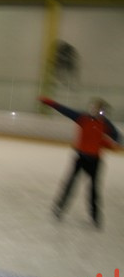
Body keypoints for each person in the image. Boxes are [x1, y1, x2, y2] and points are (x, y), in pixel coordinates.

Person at [39, 96, 121, 228]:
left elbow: (117, 138)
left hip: (95, 161)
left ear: (102, 111)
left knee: (93, 189)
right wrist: (50, 103)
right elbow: (65, 110)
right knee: (70, 184)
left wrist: (106, 142)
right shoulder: (82, 118)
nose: (94, 110)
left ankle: (94, 216)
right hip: (81, 158)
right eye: (93, 107)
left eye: (98, 109)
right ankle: (59, 208)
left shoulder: (106, 124)